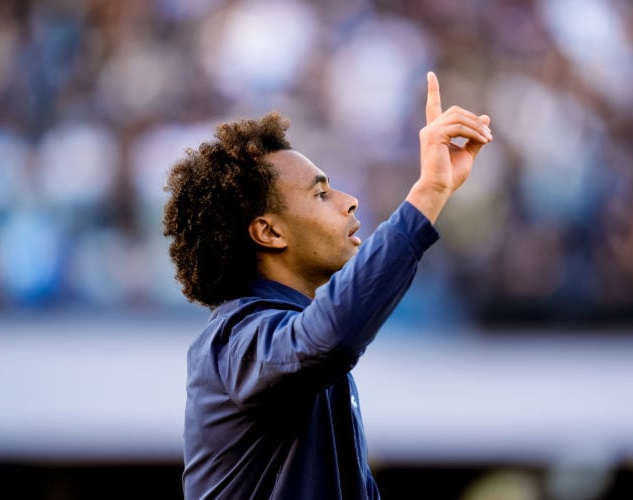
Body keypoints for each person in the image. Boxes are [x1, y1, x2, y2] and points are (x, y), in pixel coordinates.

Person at [162, 71, 492, 499]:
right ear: (269, 232)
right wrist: (428, 191)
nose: (348, 201)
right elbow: (328, 338)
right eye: (321, 194)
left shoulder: (308, 361)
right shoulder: (234, 341)